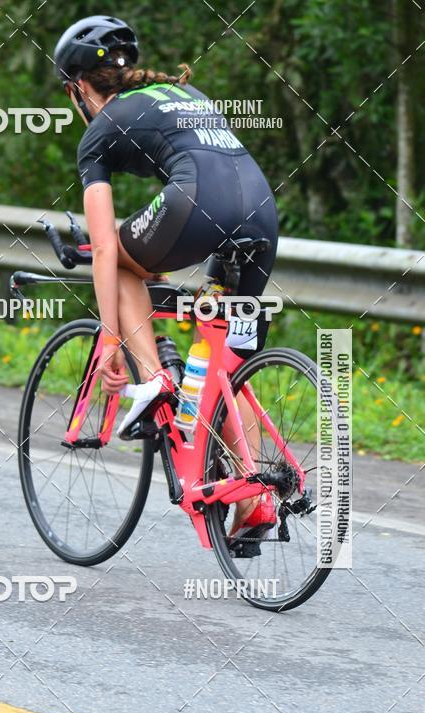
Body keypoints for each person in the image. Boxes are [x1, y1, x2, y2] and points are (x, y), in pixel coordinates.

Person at [54, 15, 279, 540]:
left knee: (122, 267)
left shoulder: (97, 133)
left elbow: (105, 244)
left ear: (77, 87)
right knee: (226, 363)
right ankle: (255, 501)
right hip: (263, 213)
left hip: (199, 205)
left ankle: (153, 380)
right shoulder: (182, 92)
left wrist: (111, 336)